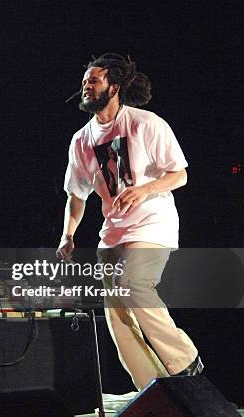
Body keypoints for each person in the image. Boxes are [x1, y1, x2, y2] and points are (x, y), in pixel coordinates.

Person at [56, 54, 203, 390]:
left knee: (134, 282)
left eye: (94, 81)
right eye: (84, 83)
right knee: (118, 315)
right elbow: (76, 196)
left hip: (153, 223)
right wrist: (68, 235)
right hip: (112, 234)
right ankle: (153, 388)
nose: (86, 87)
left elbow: (179, 175)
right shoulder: (82, 140)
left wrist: (144, 190)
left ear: (114, 87)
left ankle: (184, 359)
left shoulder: (146, 123)